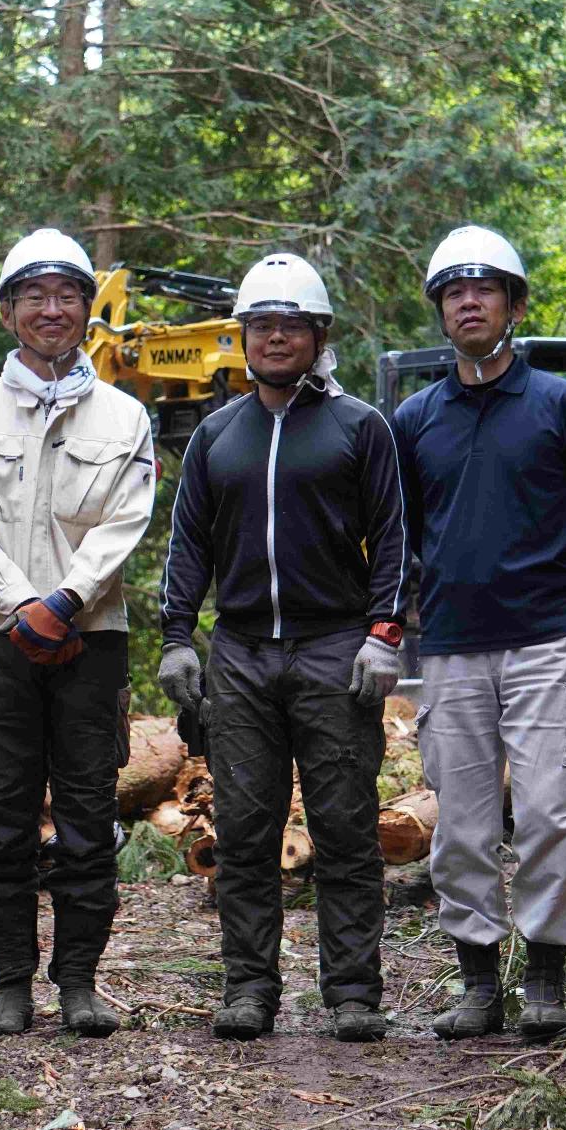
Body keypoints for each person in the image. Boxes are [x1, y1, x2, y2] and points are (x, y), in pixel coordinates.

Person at [156, 252, 408, 1043]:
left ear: (318, 333)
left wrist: (383, 633)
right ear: (241, 335)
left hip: (335, 647)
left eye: (290, 323)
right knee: (247, 826)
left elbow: (397, 537)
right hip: (238, 654)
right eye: (260, 323)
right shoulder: (216, 435)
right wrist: (176, 637)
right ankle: (250, 989)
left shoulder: (359, 427)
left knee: (342, 823)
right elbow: (187, 544)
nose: (274, 336)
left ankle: (354, 992)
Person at [390, 226, 566, 1040]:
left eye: (484, 289)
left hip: (542, 638)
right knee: (460, 817)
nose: (468, 301)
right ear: (440, 310)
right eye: (453, 292)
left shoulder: (563, 405)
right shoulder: (415, 417)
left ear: (514, 304)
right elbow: (402, 529)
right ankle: (478, 986)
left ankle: (546, 982)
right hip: (452, 642)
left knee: (551, 808)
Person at [0, 228, 156, 1038]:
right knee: (0, 820)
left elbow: (125, 523)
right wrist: (23, 603)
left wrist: (63, 602)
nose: (52, 309)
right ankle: (10, 984)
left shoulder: (125, 417)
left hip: (90, 638)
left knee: (88, 816)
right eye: (34, 295)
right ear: (8, 311)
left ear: (87, 309)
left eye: (67, 294)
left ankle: (79, 985)